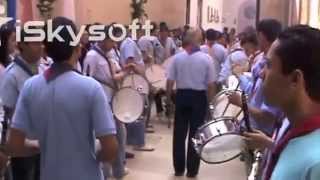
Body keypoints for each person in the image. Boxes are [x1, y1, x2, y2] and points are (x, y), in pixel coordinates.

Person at [5, 17, 118, 180]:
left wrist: (41, 145)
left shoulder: (31, 87)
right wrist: (92, 156)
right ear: (77, 48)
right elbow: (111, 149)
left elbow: (14, 146)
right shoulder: (91, 88)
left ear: (46, 49)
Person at [246, 25, 320, 180]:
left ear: (295, 79)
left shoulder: (316, 164)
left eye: (269, 65)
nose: (261, 74)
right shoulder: (290, 122)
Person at [167, 28, 218, 178]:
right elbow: (210, 85)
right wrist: (211, 104)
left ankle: (178, 168)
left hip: (182, 96)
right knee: (196, 134)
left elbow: (170, 81)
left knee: (179, 134)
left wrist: (169, 99)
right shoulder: (206, 59)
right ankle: (192, 170)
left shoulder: (177, 58)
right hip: (198, 98)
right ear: (197, 40)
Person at [83, 25, 129, 179]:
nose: (114, 44)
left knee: (120, 135)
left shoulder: (110, 55)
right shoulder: (92, 56)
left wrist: (124, 71)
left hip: (113, 101)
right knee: (105, 139)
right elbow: (87, 78)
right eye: (111, 40)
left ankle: (119, 170)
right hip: (101, 102)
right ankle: (105, 173)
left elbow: (115, 72)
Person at [0, 25, 44, 180]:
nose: (41, 46)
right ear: (23, 45)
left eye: (41, 42)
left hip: (42, 144)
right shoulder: (11, 75)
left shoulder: (43, 69)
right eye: (36, 43)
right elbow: (7, 114)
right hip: (23, 146)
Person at [120, 31, 154, 152]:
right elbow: (130, 63)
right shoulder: (129, 43)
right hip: (135, 81)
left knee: (138, 109)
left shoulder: (130, 44)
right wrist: (145, 77)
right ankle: (138, 142)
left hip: (135, 80)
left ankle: (135, 140)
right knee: (139, 108)